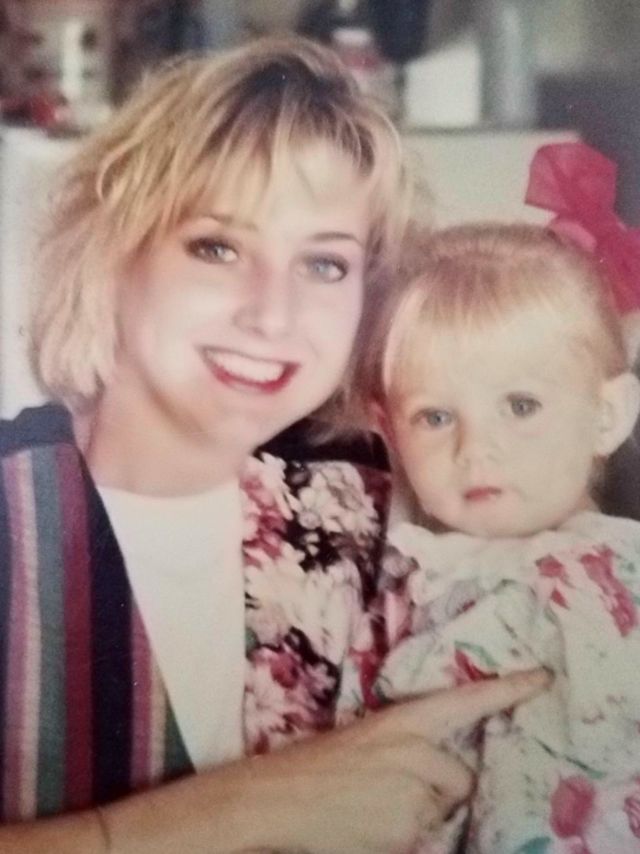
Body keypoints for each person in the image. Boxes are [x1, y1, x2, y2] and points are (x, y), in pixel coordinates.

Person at [0, 35, 550, 853]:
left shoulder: (404, 519)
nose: (272, 314)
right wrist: (244, 808)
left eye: (324, 265)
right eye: (216, 247)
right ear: (115, 254)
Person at [357, 154, 640, 852]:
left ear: (608, 415)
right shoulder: (399, 575)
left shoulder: (620, 576)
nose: (476, 450)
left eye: (520, 405)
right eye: (435, 417)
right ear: (388, 430)